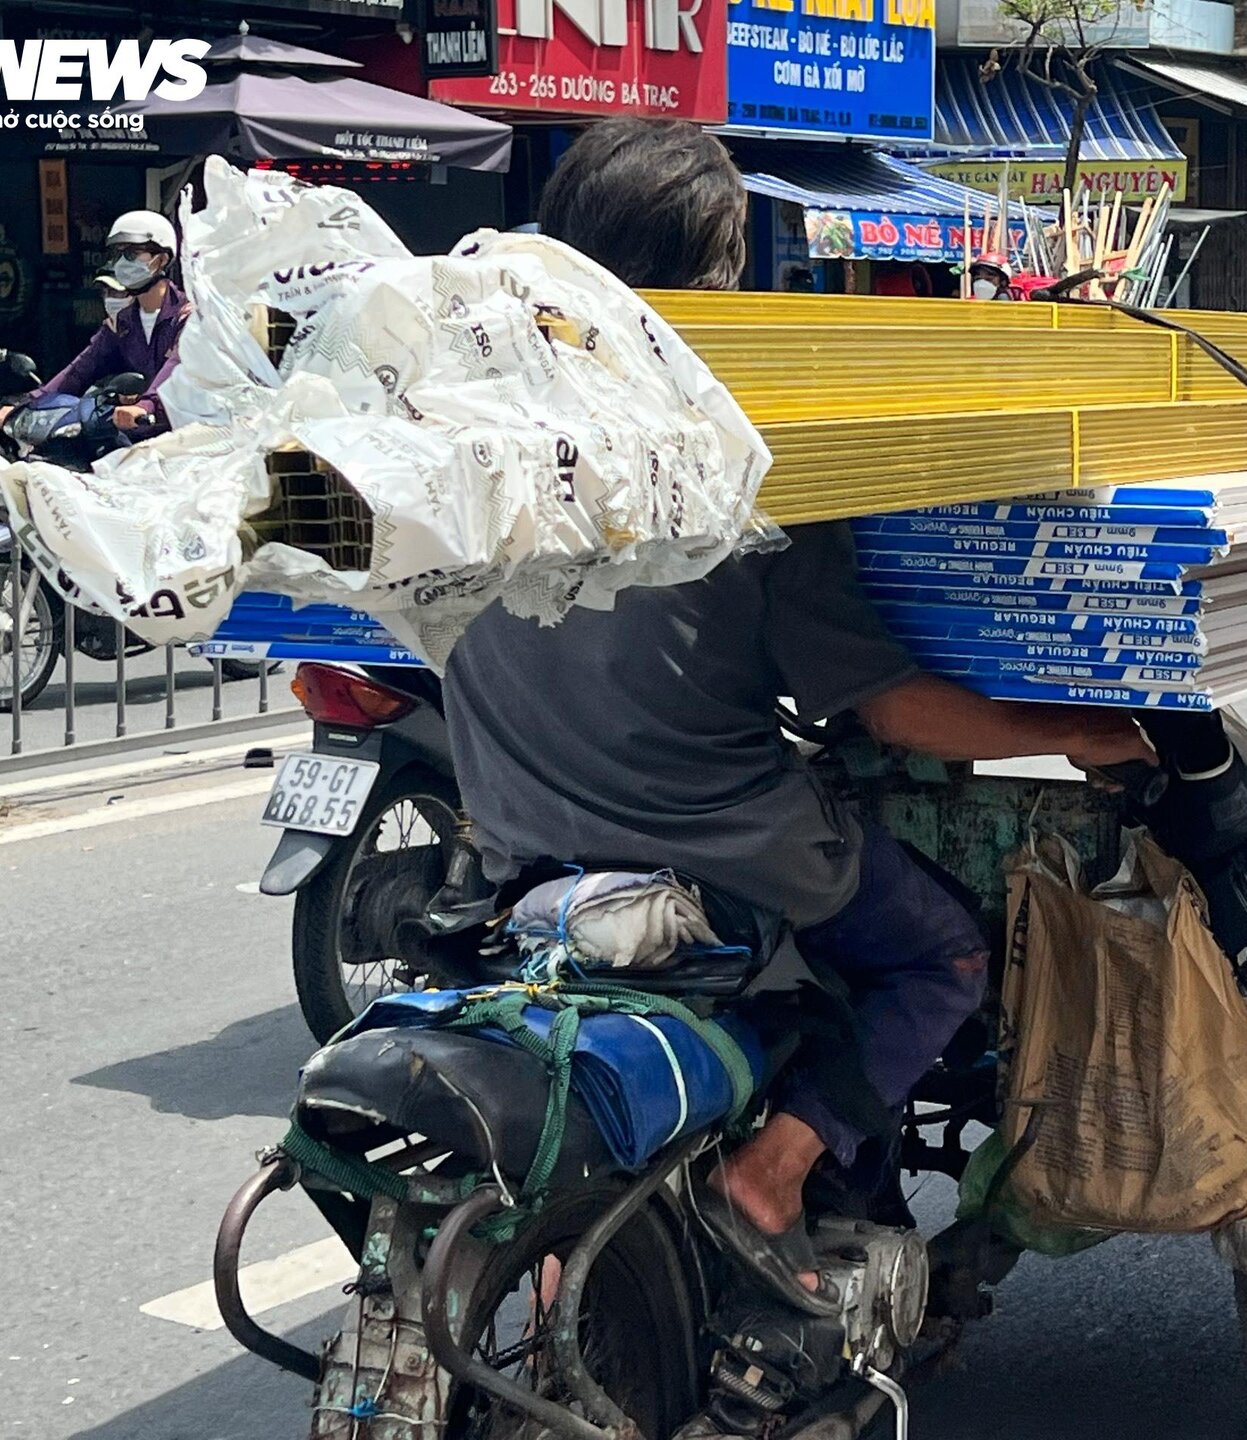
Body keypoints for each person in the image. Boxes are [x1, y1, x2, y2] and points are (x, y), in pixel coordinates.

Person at [441, 117, 1156, 1421]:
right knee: (940, 953)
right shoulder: (737, 461)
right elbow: (890, 712)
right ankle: (770, 1174)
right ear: (712, 279)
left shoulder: (463, 438)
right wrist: (1074, 734)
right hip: (718, 851)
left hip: (517, 853)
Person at [0, 209, 188, 435]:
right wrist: (27, 403)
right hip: (136, 435)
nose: (122, 263)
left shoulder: (187, 318)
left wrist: (145, 406)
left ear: (162, 259)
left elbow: (176, 370)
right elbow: (81, 369)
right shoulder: (123, 323)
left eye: (132, 253)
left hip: (183, 435)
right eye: (118, 254)